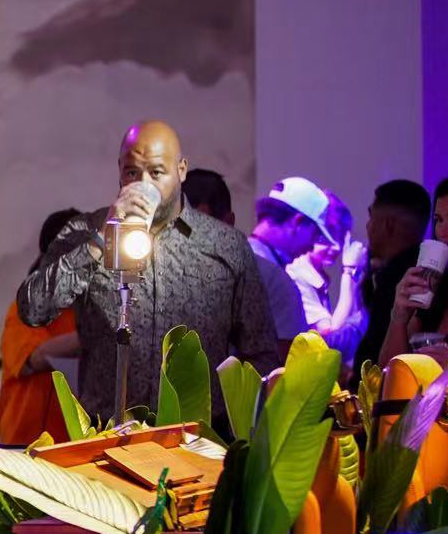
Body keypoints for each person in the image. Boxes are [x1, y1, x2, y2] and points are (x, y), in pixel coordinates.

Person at [17, 120, 284, 421]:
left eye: (156, 173)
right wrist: (101, 240)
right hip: (108, 433)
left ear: (181, 170)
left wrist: (239, 428)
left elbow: (261, 352)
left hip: (196, 437)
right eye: (132, 172)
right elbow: (32, 309)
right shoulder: (86, 231)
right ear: (119, 170)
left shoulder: (225, 245)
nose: (143, 184)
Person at [381, 168, 448, 383]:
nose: (444, 231)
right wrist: (399, 316)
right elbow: (390, 375)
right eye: (439, 219)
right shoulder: (440, 289)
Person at [0, 209, 88, 444]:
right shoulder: (24, 309)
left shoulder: (89, 308)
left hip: (74, 446)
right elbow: (35, 358)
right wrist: (94, 335)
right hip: (24, 445)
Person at [286, 182, 369, 372]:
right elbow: (330, 336)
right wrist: (348, 271)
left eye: (340, 238)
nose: (336, 247)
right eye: (325, 239)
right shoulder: (298, 273)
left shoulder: (316, 274)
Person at [360, 179, 432, 375]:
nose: (368, 226)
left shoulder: (400, 281)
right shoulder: (423, 273)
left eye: (371, 217)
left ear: (388, 225)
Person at [249, 176, 332, 345]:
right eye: (315, 234)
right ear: (298, 222)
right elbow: (289, 353)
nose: (312, 246)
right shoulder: (277, 280)